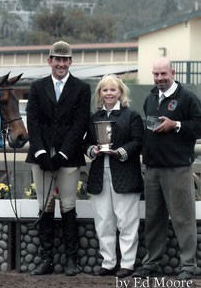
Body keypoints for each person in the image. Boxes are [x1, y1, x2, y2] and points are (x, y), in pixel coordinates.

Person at [25, 40, 91, 276]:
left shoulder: (81, 88)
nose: (61, 64)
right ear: (49, 61)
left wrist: (63, 153)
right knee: (44, 206)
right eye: (57, 59)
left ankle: (72, 260)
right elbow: (32, 120)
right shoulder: (37, 87)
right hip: (41, 155)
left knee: (68, 205)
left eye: (65, 60)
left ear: (70, 62)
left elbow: (80, 123)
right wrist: (41, 152)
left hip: (69, 156)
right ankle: (46, 259)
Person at [133, 57, 201, 281]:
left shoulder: (187, 97)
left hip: (178, 168)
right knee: (153, 218)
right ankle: (152, 262)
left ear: (173, 73)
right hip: (152, 168)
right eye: (156, 74)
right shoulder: (151, 97)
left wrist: (177, 125)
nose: (159, 79)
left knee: (183, 218)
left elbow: (198, 126)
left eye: (163, 74)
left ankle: (188, 266)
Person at [84, 74, 143, 279]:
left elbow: (138, 141)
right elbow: (87, 143)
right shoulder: (94, 118)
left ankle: (127, 263)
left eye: (112, 90)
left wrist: (120, 152)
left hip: (125, 174)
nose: (108, 93)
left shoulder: (132, 116)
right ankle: (108, 262)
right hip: (100, 174)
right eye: (104, 90)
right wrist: (93, 150)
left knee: (126, 221)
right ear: (100, 94)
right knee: (104, 221)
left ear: (120, 92)